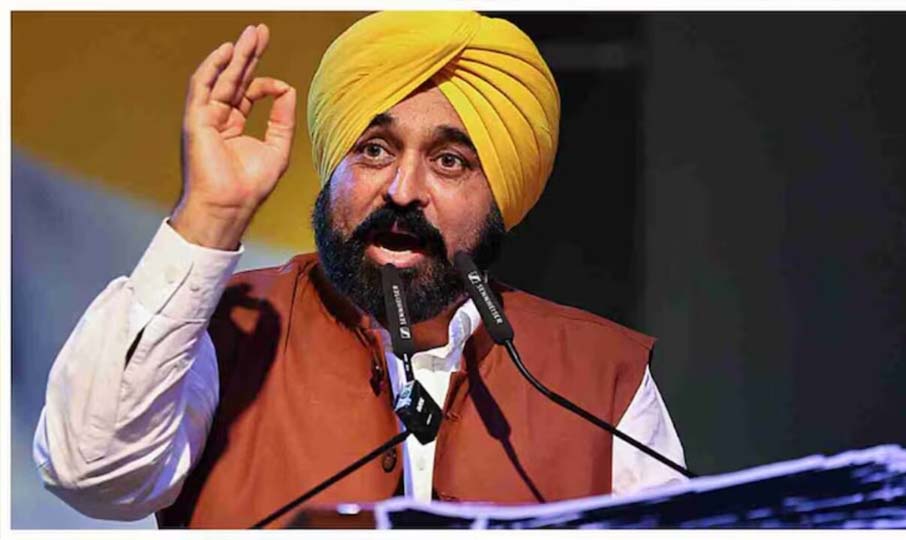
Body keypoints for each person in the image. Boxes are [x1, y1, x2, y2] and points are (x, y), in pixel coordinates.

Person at [33, 11, 686, 528]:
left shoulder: (599, 377)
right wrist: (209, 214)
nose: (403, 190)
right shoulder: (226, 332)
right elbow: (90, 473)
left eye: (450, 161)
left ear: (501, 200)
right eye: (374, 150)